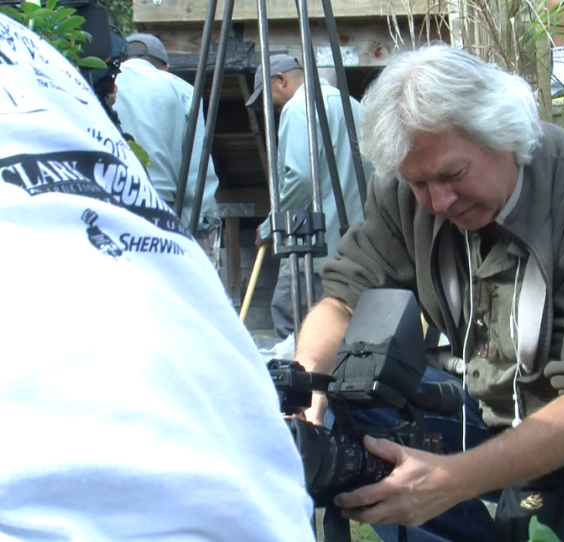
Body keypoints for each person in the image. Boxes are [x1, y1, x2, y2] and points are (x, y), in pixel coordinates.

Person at [293, 44, 564, 542]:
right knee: (352, 410)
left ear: (507, 137)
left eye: (453, 175)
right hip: (491, 412)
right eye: (419, 183)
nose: (438, 201)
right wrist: (309, 388)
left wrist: (450, 481)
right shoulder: (408, 193)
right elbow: (344, 298)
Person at [0, 12, 314, 541]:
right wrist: (187, 232)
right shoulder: (166, 87)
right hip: (157, 226)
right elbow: (204, 174)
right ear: (164, 63)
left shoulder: (80, 76)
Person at [246, 54, 369, 339]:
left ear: (280, 80)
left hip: (312, 250)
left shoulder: (298, 108)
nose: (270, 106)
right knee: (347, 333)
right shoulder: (354, 106)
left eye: (266, 96)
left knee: (293, 326)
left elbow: (301, 177)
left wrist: (270, 227)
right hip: (356, 248)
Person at [114, 33, 221, 263]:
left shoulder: (104, 83)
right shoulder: (180, 89)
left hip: (109, 203)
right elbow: (196, 169)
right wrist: (203, 222)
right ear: (165, 66)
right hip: (160, 208)